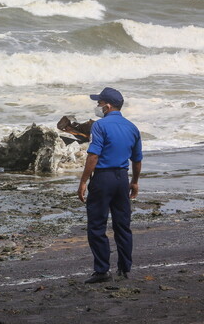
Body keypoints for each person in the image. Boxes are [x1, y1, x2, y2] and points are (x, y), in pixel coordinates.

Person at [77, 87, 142, 284]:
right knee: (123, 225)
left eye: (98, 103)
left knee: (97, 225)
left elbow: (93, 155)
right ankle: (125, 268)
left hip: (103, 178)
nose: (97, 106)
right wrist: (135, 181)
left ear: (107, 106)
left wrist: (83, 181)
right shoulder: (132, 127)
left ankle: (102, 270)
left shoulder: (100, 126)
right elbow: (137, 159)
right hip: (122, 178)